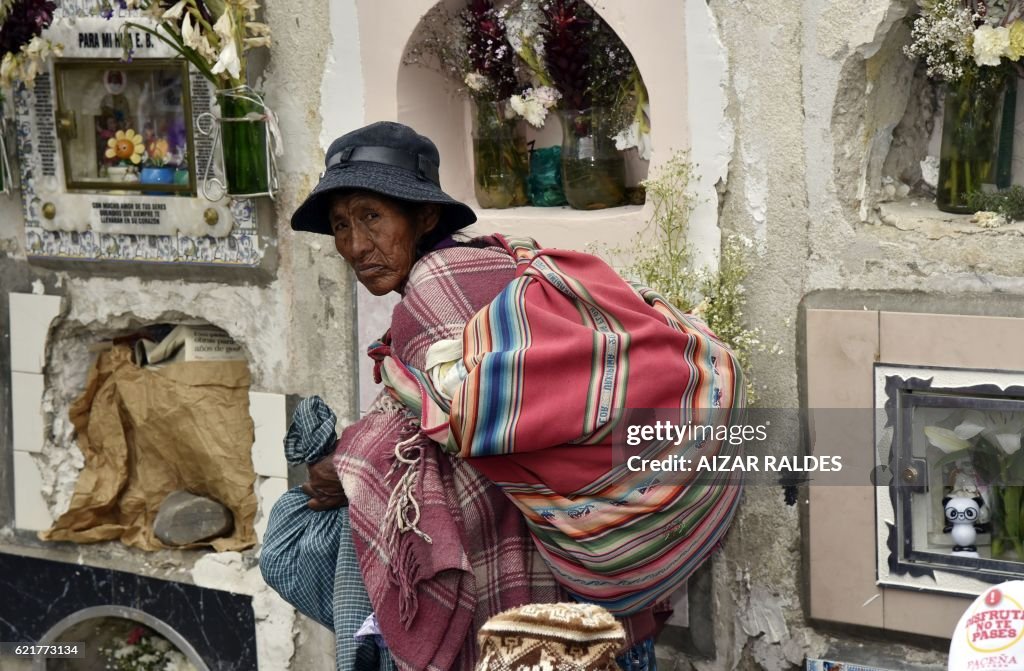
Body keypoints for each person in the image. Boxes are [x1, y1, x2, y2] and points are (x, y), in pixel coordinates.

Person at [278, 121, 664, 671]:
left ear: (425, 216)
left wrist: (347, 467)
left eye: (370, 217)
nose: (355, 245)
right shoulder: (494, 263)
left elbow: (455, 437)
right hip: (591, 578)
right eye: (340, 225)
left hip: (534, 594)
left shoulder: (435, 293)